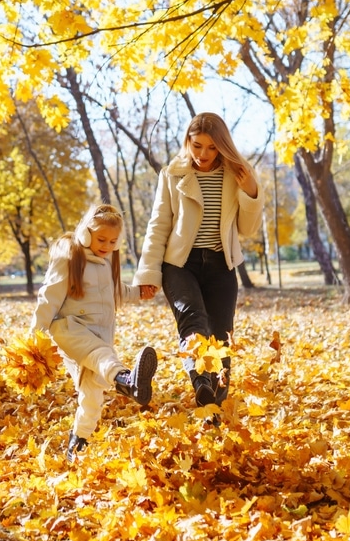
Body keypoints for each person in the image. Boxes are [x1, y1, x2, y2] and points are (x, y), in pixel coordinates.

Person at [134, 112, 264, 409]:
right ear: (187, 142)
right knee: (193, 319)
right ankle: (199, 381)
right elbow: (158, 226)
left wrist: (251, 191)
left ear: (222, 146)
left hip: (221, 265)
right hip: (180, 265)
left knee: (221, 334)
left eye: (211, 147)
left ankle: (216, 405)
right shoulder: (172, 174)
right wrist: (148, 275)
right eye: (196, 145)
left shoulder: (237, 175)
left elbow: (248, 229)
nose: (203, 154)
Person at [31, 204, 158, 462]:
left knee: (92, 397)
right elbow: (49, 297)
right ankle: (126, 379)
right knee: (101, 355)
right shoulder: (70, 257)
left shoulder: (106, 261)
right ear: (86, 233)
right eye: (101, 239)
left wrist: (138, 292)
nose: (107, 245)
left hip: (99, 333)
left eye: (113, 241)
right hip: (70, 328)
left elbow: (112, 292)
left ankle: (77, 445)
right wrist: (34, 335)